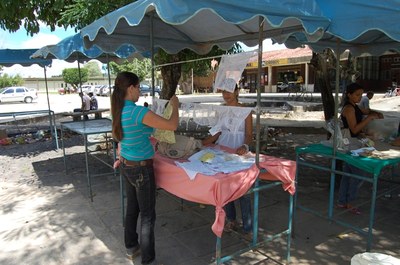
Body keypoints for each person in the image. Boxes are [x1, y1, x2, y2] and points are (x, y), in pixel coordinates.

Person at [111, 71, 179, 264]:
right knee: (148, 216)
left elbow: (148, 129)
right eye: (139, 87)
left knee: (132, 209)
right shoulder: (138, 112)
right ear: (130, 88)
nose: (140, 91)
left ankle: (131, 247)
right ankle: (148, 260)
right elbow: (172, 125)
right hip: (141, 170)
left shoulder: (119, 110)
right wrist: (175, 106)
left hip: (127, 165)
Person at [202, 84, 253, 237]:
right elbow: (217, 133)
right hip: (222, 152)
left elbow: (249, 135)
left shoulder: (245, 111)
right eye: (224, 91)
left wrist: (244, 146)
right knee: (226, 189)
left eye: (230, 91)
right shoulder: (221, 110)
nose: (226, 94)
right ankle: (231, 219)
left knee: (243, 191)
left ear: (237, 91)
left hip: (239, 155)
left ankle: (248, 227)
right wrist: (204, 142)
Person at [338, 83, 382, 214]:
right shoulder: (349, 109)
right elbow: (354, 129)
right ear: (349, 95)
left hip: (353, 142)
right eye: (357, 95)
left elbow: (364, 116)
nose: (359, 97)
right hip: (350, 145)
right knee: (358, 175)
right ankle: (350, 202)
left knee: (347, 174)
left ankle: (342, 201)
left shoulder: (355, 107)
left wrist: (373, 115)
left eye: (361, 95)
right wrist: (369, 119)